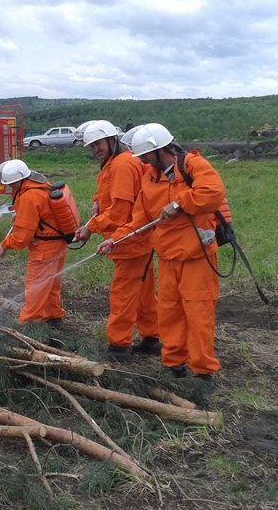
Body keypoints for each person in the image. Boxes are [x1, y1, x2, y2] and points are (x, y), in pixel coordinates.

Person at [98, 123, 226, 392]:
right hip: (167, 256)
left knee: (198, 313)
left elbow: (212, 194)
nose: (143, 161)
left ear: (160, 150)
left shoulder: (193, 165)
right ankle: (173, 364)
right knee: (169, 312)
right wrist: (116, 238)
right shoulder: (150, 177)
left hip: (196, 256)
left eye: (145, 156)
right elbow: (140, 219)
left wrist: (179, 204)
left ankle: (203, 373)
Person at [74, 120, 159, 362]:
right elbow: (109, 192)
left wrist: (91, 227)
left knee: (122, 294)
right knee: (143, 291)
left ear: (112, 140)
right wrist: (96, 202)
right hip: (138, 239)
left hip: (128, 241)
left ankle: (119, 346)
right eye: (91, 146)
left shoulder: (122, 164)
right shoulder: (117, 162)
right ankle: (152, 337)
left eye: (98, 144)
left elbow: (120, 211)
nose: (95, 150)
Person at [0, 159, 68, 327]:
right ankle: (54, 318)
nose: (11, 189)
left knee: (35, 287)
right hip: (58, 244)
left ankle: (28, 326)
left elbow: (22, 238)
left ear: (20, 181)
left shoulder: (28, 196)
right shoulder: (39, 184)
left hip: (44, 249)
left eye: (12, 185)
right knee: (51, 284)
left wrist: (4, 245)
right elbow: (39, 215)